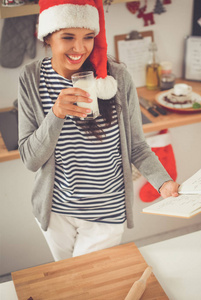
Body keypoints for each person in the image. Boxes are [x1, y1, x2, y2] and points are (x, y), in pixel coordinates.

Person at [18, 0, 179, 261]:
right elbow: (30, 159)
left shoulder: (117, 77)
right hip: (57, 211)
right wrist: (56, 114)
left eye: (88, 37)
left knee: (87, 282)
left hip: (107, 213)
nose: (79, 48)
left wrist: (163, 181)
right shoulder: (31, 78)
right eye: (68, 37)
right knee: (70, 283)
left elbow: (136, 146)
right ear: (48, 36)